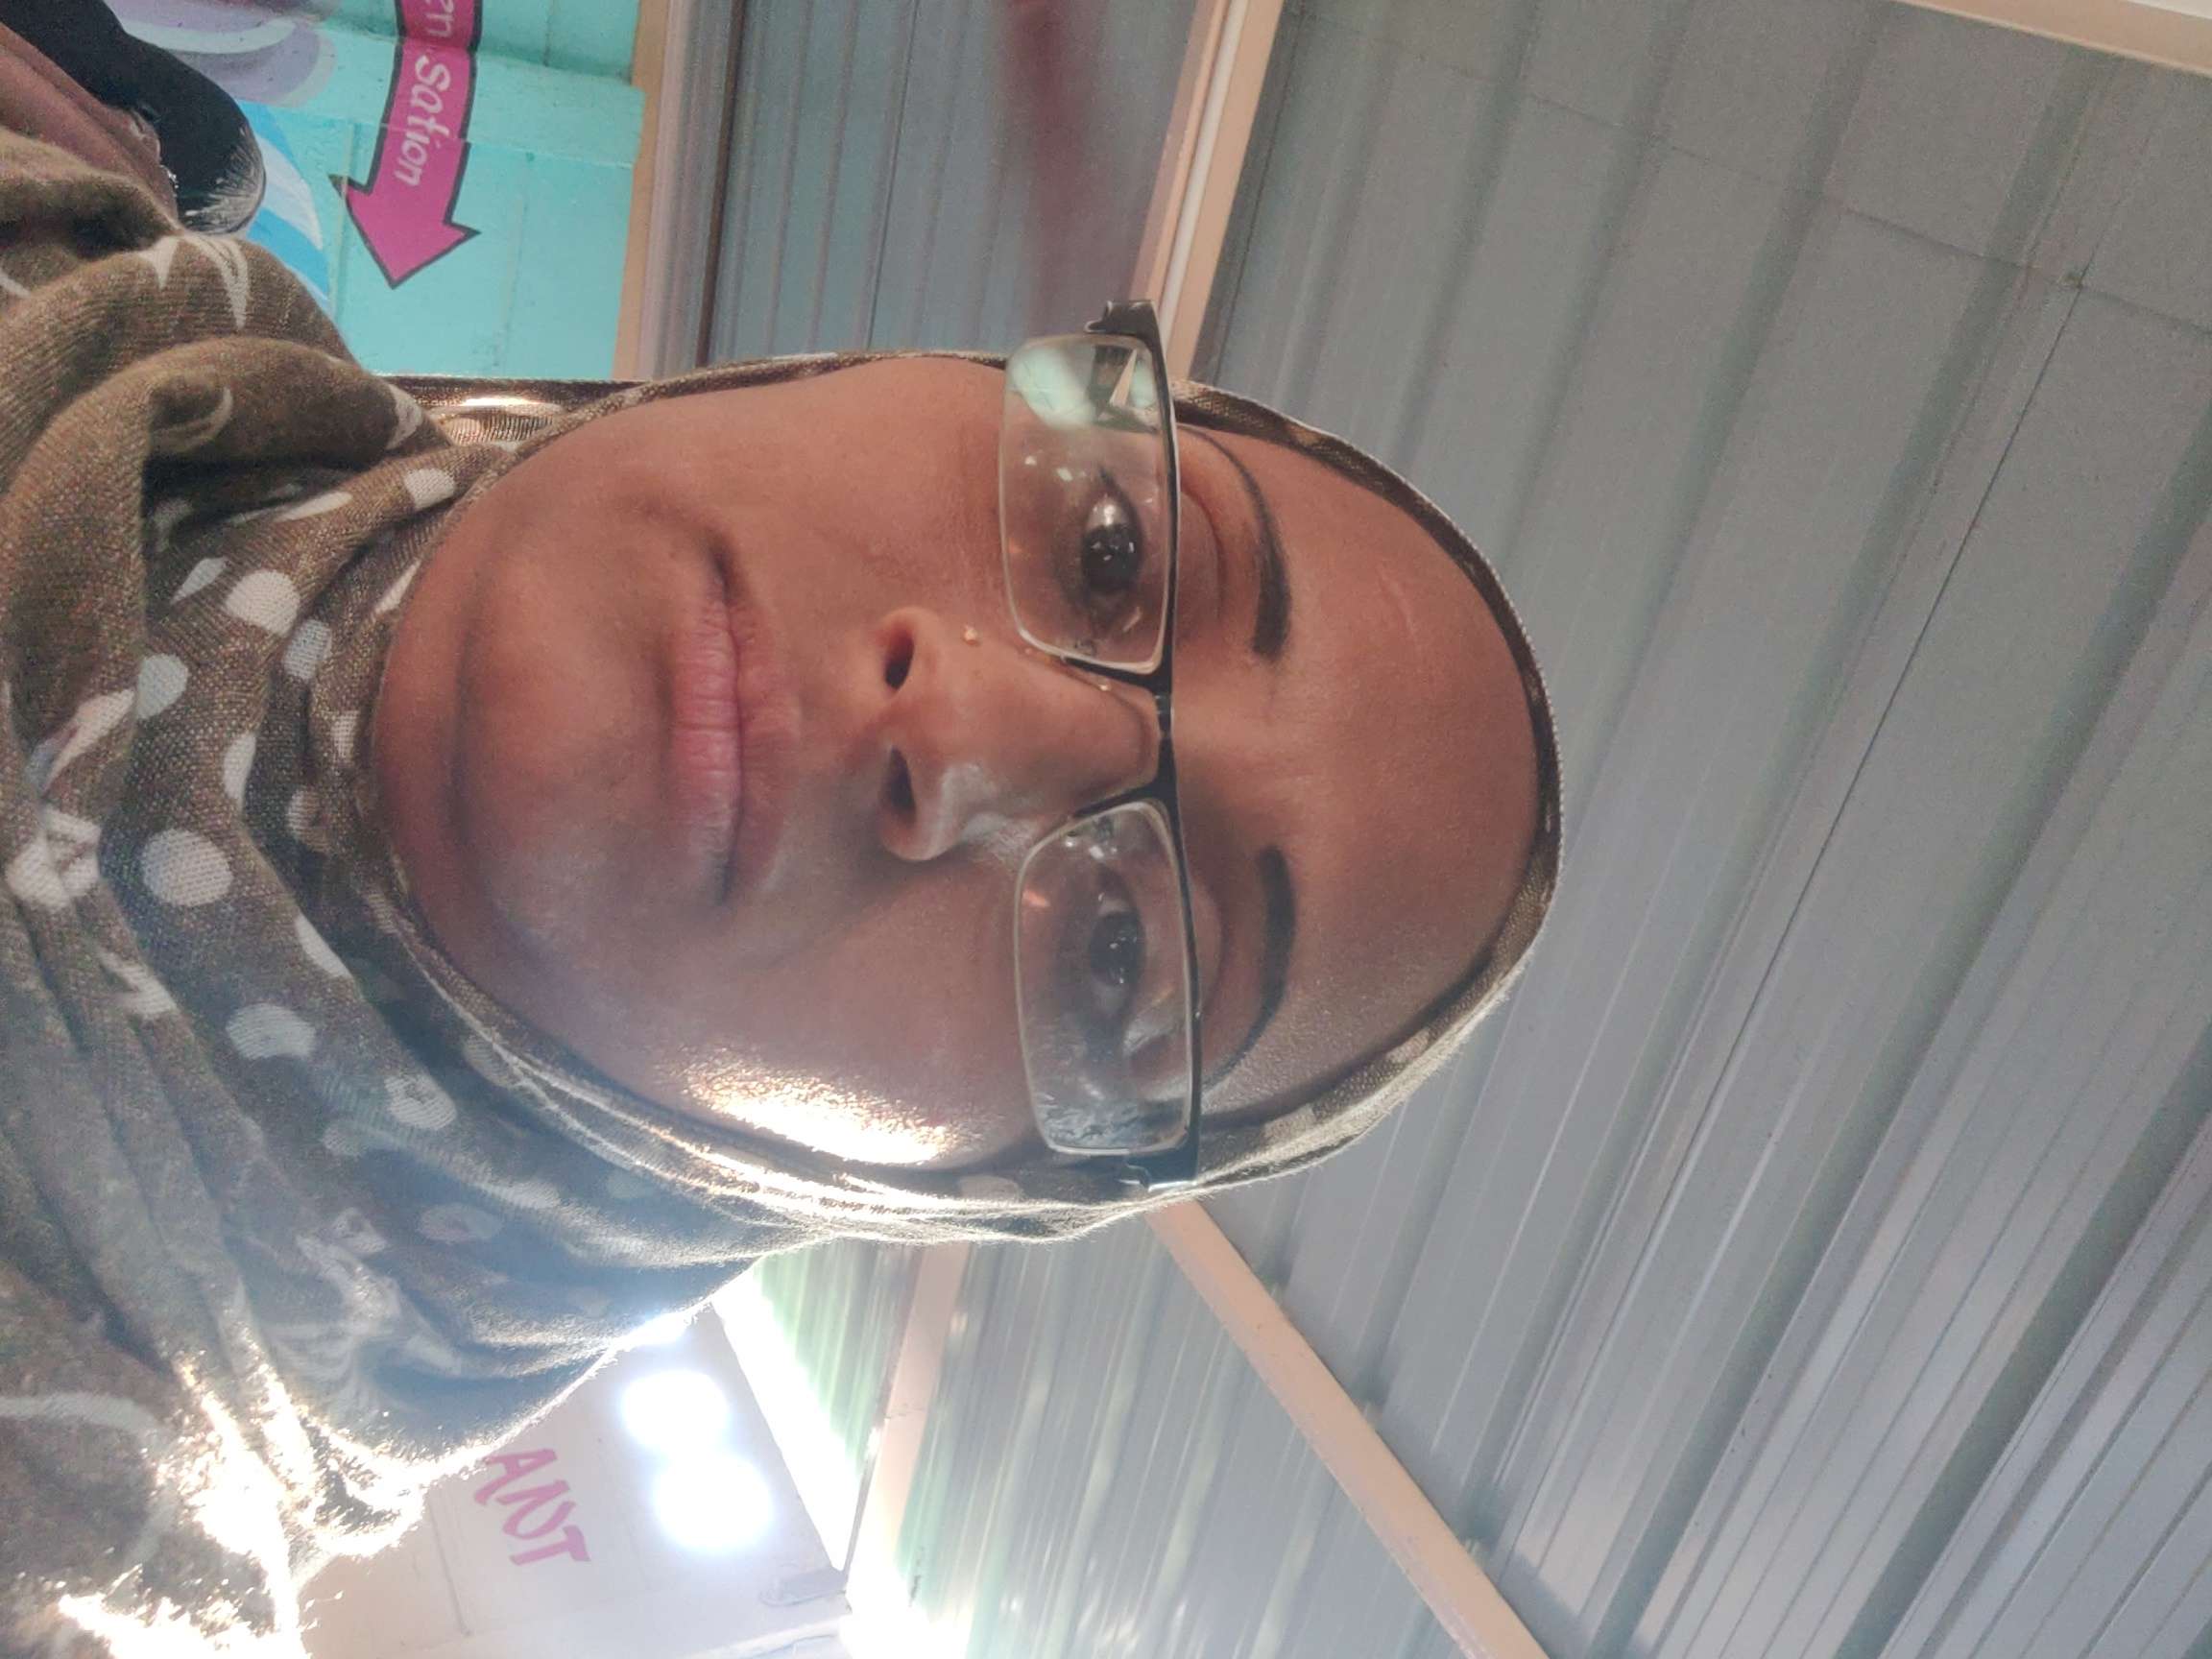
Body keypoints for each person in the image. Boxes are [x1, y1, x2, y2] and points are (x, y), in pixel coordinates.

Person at [0, 53, 1557, 1659]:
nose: (963, 725)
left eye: (1122, 954)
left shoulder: (70, 1556)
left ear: (950, 1187)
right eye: (1115, 552)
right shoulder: (52, 163)